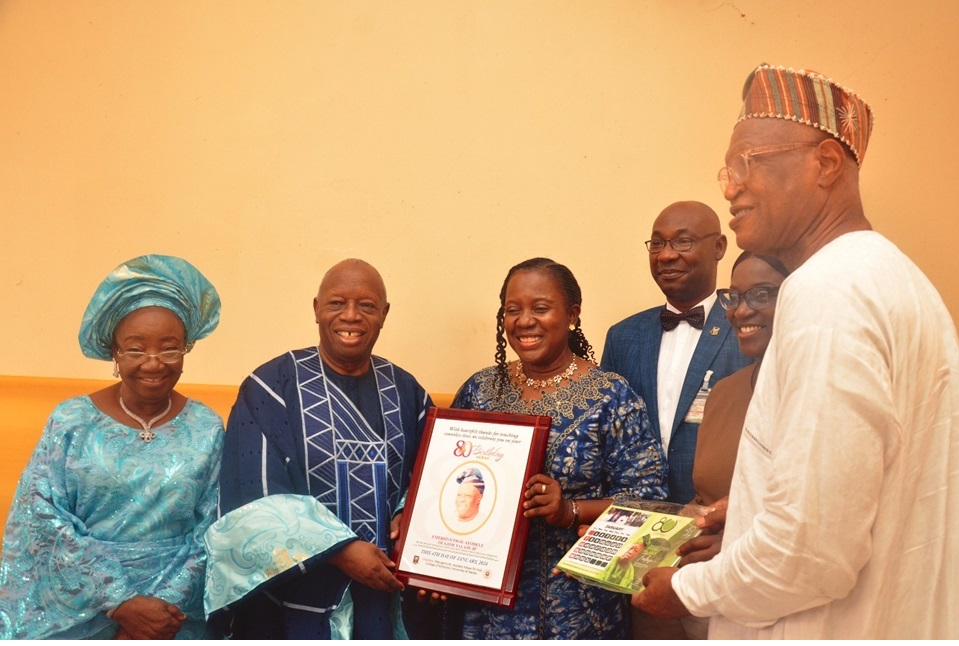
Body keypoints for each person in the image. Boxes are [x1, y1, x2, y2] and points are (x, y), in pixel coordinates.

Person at [633, 63, 959, 639]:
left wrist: (686, 590)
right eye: (728, 168)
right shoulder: (893, 276)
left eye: (750, 163)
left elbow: (809, 553)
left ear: (826, 164)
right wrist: (741, 511)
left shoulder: (828, 292)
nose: (729, 185)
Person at [206, 258, 434, 639]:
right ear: (316, 309)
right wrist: (340, 550)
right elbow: (252, 502)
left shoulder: (407, 391)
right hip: (294, 605)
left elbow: (432, 478)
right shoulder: (270, 388)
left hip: (384, 598)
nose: (351, 316)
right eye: (336, 303)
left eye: (367, 305)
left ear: (384, 314)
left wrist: (410, 516)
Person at [0, 255, 223, 640]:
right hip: (78, 610)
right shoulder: (71, 420)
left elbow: (215, 526)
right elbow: (39, 515)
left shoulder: (207, 426)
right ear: (114, 353)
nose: (153, 363)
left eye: (169, 348)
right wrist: (119, 603)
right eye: (135, 349)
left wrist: (157, 616)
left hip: (175, 619)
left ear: (186, 349)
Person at [448, 257, 667, 639]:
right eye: (512, 310)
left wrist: (570, 511)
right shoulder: (479, 391)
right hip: (488, 610)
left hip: (580, 610)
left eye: (541, 308)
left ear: (572, 315)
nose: (524, 321)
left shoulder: (611, 397)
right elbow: (444, 483)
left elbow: (649, 504)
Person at [601, 201, 750, 505]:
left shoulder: (747, 330)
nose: (666, 255)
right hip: (636, 521)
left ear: (719, 247)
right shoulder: (622, 336)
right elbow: (608, 435)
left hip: (719, 522)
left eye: (683, 241)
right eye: (657, 243)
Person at [689, 251, 789, 510]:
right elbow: (704, 501)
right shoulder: (723, 393)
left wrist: (733, 532)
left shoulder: (824, 391)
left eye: (761, 295)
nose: (741, 311)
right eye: (735, 297)